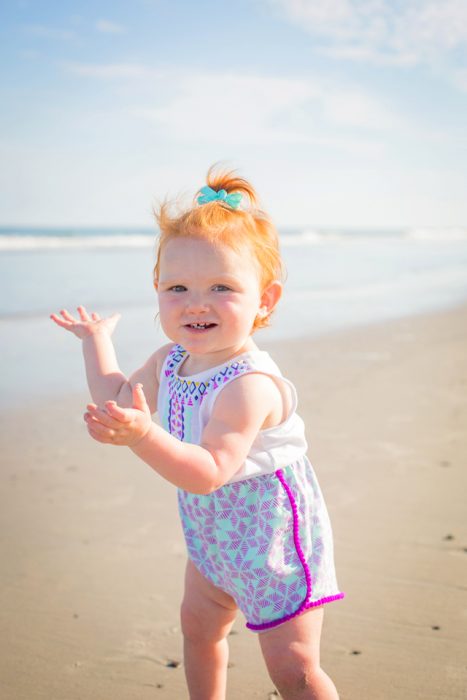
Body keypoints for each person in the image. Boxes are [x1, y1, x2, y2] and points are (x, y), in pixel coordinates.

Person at [51, 164, 344, 700]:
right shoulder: (173, 359)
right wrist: (95, 341)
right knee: (200, 632)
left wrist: (142, 436)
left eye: (222, 287)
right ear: (158, 290)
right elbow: (119, 399)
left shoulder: (249, 385)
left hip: (271, 541)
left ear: (266, 301)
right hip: (213, 539)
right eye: (177, 287)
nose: (196, 303)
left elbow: (209, 471)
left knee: (295, 671)